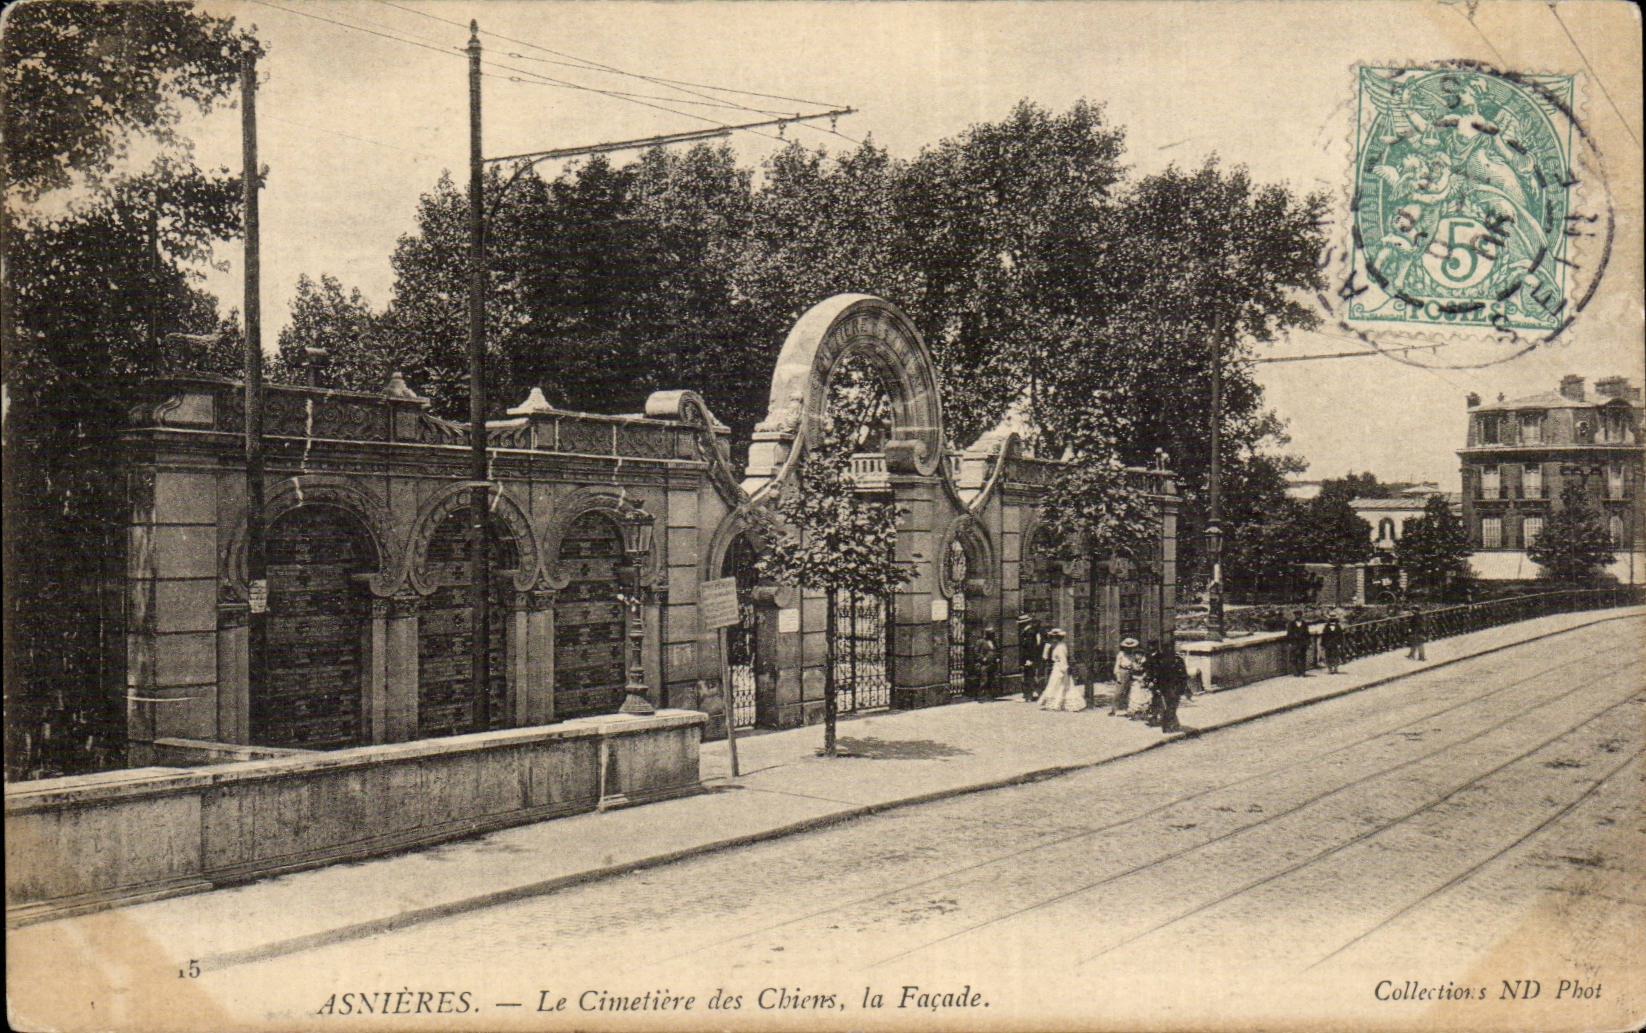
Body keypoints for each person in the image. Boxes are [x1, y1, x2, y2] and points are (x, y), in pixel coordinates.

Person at [1038, 628, 1085, 712]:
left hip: (1060, 668)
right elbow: (1046, 657)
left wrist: (1064, 669)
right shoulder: (1056, 646)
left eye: (1054, 637)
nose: (1053, 639)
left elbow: (1063, 659)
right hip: (1057, 667)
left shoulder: (1061, 647)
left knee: (1061, 685)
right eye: (1052, 637)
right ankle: (1054, 703)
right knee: (1055, 685)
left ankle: (1058, 704)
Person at [1154, 644, 1190, 733]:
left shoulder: (1163, 661)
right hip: (1171, 687)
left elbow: (1183, 675)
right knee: (1172, 706)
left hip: (1169, 687)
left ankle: (1171, 725)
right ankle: (1167, 725)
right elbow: (1183, 675)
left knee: (1170, 706)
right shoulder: (1176, 661)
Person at [1111, 637, 1143, 716]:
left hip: (1130, 672)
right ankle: (1114, 709)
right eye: (1127, 647)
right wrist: (1117, 676)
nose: (1129, 649)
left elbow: (1133, 664)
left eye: (1131, 647)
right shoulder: (1121, 654)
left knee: (1127, 691)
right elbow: (1117, 666)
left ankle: (1125, 709)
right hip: (1122, 672)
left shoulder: (1132, 655)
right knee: (1118, 691)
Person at [1128, 641, 1158, 720]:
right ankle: (1135, 714)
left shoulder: (1145, 663)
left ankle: (1144, 713)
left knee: (1144, 697)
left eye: (1140, 654)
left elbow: (1147, 671)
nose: (1138, 656)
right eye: (1136, 654)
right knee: (1135, 696)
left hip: (1144, 682)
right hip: (1136, 682)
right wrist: (1137, 678)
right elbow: (1130, 674)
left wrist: (1143, 677)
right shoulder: (1133, 663)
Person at [1018, 615, 1045, 702]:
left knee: (1029, 676)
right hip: (1031, 657)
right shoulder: (1029, 631)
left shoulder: (1029, 632)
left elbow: (1030, 647)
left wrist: (1028, 659)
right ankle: (1033, 694)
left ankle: (1029, 695)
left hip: (1029, 658)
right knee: (1031, 676)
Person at [971, 629, 1000, 701]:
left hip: (992, 663)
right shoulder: (981, 642)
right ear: (987, 634)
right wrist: (982, 658)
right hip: (984, 664)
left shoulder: (994, 642)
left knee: (991, 679)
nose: (993, 635)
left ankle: (989, 696)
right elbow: (976, 652)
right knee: (984, 680)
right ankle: (981, 697)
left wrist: (997, 658)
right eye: (991, 634)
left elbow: (997, 651)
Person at [1285, 611, 1311, 677]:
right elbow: (1289, 634)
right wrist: (1290, 642)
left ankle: (1303, 672)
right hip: (1294, 643)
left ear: (1301, 616)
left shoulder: (1304, 624)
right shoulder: (1291, 624)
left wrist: (1308, 643)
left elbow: (1307, 634)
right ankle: (1296, 672)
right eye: (1296, 615)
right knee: (1294, 658)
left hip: (1302, 643)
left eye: (1299, 615)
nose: (1297, 616)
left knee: (1303, 658)